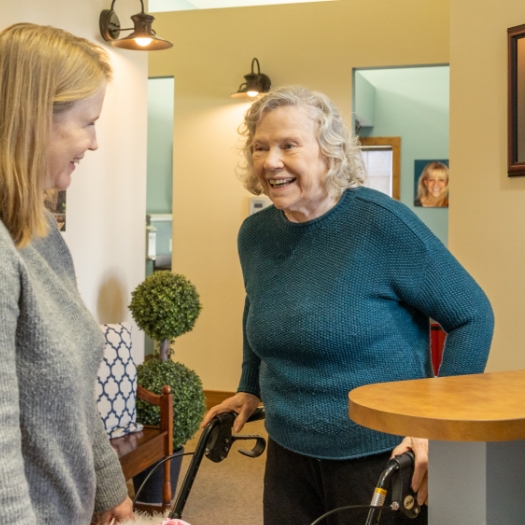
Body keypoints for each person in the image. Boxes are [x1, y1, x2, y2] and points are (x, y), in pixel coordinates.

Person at [203, 85, 494, 525]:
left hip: (379, 455)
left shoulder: (381, 224)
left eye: (288, 145)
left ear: (329, 153)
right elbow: (258, 304)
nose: (270, 161)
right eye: (260, 147)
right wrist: (249, 385)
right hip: (288, 451)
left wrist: (438, 426)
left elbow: (473, 316)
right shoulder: (256, 234)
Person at [0, 24, 134, 525]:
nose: (94, 144)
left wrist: (106, 482)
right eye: (87, 123)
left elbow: (71, 380)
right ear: (34, 118)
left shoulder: (40, 233)